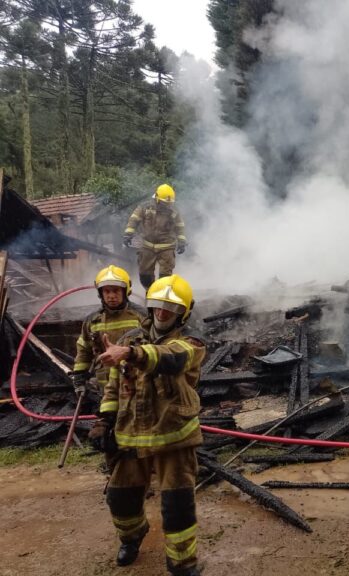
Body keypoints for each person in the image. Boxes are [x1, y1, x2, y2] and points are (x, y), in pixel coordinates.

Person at [91, 274, 206, 576]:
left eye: (170, 308)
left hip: (174, 437)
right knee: (120, 498)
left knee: (177, 506)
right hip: (131, 434)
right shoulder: (130, 338)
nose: (162, 313)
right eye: (156, 305)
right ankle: (132, 536)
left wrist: (130, 354)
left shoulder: (190, 343)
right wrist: (104, 421)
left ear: (184, 312)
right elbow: (114, 386)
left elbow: (169, 359)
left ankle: (183, 563)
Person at [71, 265, 145, 396]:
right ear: (100, 293)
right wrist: (79, 378)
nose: (111, 296)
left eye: (116, 291)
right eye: (107, 291)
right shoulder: (92, 321)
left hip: (136, 384)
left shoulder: (141, 316)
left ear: (125, 291)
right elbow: (84, 350)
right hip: (105, 386)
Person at [123, 184, 188, 292]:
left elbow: (180, 226)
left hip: (167, 247)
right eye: (164, 203)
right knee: (144, 274)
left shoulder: (174, 211)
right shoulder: (145, 207)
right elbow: (134, 220)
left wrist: (182, 240)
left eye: (169, 203)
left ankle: (161, 295)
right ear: (157, 198)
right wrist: (128, 234)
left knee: (165, 276)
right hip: (147, 246)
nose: (167, 205)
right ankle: (149, 292)